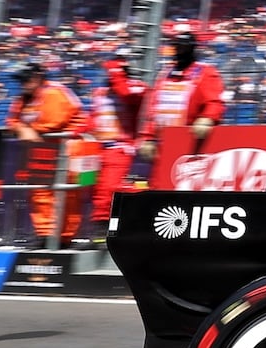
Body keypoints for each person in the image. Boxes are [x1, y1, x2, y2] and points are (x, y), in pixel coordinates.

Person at [7, 62, 84, 244]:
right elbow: (11, 120)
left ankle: (65, 237)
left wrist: (27, 128)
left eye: (26, 79)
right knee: (40, 192)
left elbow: (53, 121)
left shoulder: (53, 92)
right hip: (44, 148)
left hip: (71, 148)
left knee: (69, 195)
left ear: (38, 77)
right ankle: (45, 234)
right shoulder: (24, 98)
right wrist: (21, 128)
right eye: (21, 80)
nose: (23, 83)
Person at [137, 28, 226, 173]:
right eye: (177, 46)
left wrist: (207, 118)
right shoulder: (165, 74)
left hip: (190, 142)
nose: (180, 51)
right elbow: (153, 110)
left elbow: (215, 102)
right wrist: (148, 138)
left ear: (192, 49)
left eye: (184, 47)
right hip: (163, 144)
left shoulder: (205, 72)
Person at [84, 47, 145, 233]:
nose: (109, 75)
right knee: (88, 188)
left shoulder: (138, 87)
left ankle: (104, 231)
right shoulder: (100, 92)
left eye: (114, 71)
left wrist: (116, 72)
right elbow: (94, 117)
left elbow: (126, 94)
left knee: (109, 189)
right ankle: (95, 231)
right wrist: (80, 131)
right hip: (94, 151)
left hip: (120, 149)